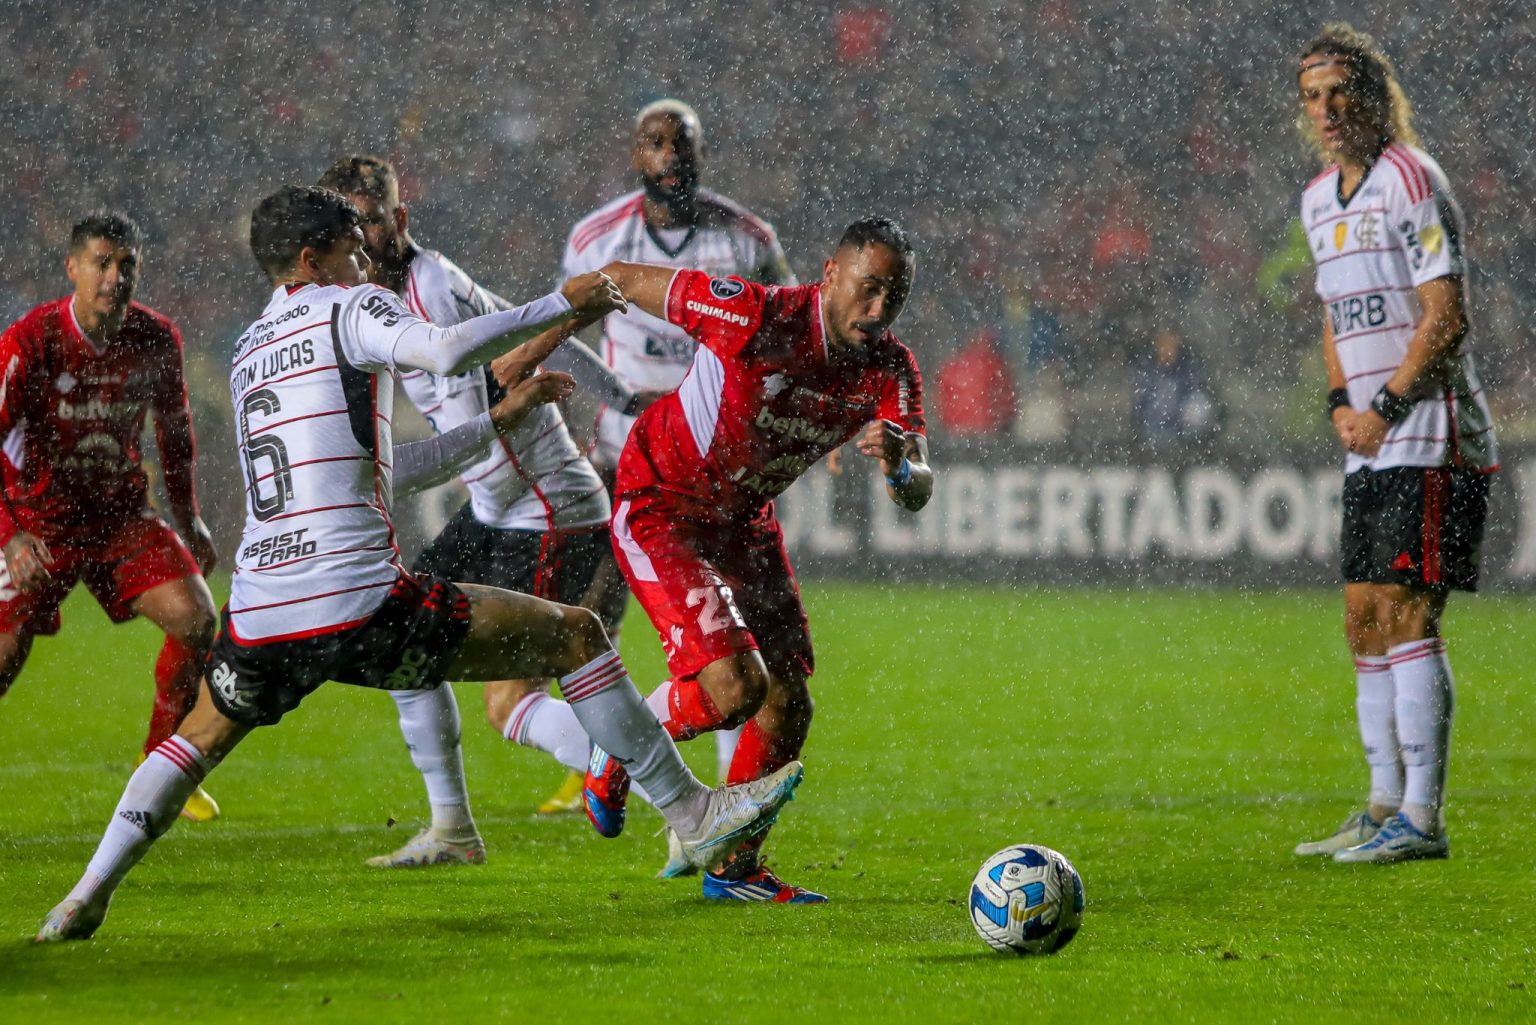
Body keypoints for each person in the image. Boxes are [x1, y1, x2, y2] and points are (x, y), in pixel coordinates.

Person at [35, 185, 803, 942]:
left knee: (196, 738)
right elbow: (443, 347)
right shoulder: (348, 305)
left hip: (263, 609)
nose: (368, 258)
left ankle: (84, 895)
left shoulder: (247, 351)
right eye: (352, 246)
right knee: (577, 637)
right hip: (358, 600)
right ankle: (696, 816)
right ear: (312, 258)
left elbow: (390, 464)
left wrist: (494, 422)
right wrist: (563, 302)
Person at [585, 215, 932, 902]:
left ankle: (732, 866)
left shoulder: (890, 368)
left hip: (743, 521)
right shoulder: (753, 313)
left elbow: (919, 488)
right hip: (663, 505)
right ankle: (619, 740)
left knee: (788, 700)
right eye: (868, 289)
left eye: (894, 298)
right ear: (829, 275)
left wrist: (898, 465)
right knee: (735, 689)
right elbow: (618, 280)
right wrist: (535, 340)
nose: (878, 310)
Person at [316, 156, 646, 868]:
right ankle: (453, 829)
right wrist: (619, 393)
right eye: (352, 224)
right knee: (401, 646)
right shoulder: (380, 298)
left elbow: (475, 420)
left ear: (398, 219)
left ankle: (642, 776)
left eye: (375, 218)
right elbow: (544, 318)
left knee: (509, 702)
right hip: (495, 505)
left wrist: (379, 470)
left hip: (547, 508)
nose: (366, 237)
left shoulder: (427, 285)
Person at [551, 98, 796, 814]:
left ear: (701, 152)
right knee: (596, 613)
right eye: (655, 143)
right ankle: (602, 746)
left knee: (737, 627)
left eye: (681, 143)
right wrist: (605, 407)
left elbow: (782, 341)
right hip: (622, 454)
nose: (670, 156)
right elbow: (566, 331)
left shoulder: (747, 239)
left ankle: (709, 787)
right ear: (636, 156)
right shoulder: (598, 238)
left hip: (720, 458)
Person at [1293, 24, 1496, 864]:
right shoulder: (1315, 201)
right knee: (1362, 619)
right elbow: (1338, 320)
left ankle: (1424, 816)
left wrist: (1386, 402)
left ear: (1375, 96)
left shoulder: (1412, 181)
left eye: (1342, 91)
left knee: (1410, 613)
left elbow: (1447, 314)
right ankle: (1381, 803)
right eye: (1313, 97)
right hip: (1368, 437)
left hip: (1433, 430)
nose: (1329, 110)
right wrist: (1345, 404)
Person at [0, 212, 220, 822]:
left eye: (126, 265)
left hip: (120, 518)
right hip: (36, 523)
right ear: (73, 268)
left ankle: (160, 769)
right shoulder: (31, 340)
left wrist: (190, 517)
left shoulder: (156, 338)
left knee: (199, 622)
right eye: (102, 262)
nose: (114, 276)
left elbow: (175, 433)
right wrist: (10, 534)